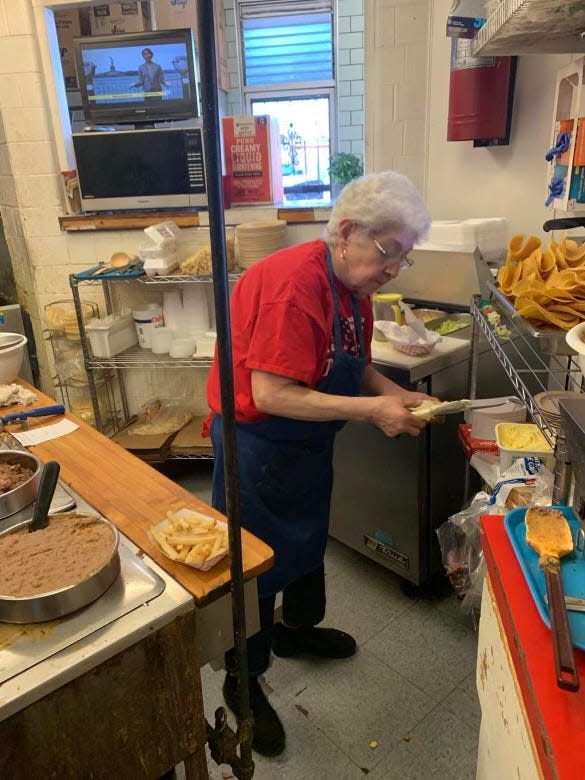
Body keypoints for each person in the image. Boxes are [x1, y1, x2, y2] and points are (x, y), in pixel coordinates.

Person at [205, 169, 437, 757]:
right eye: (389, 251)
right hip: (257, 445)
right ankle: (243, 677)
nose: (392, 268)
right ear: (348, 232)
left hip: (305, 446)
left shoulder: (350, 286)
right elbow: (271, 394)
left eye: (403, 258)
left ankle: (293, 632)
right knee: (252, 568)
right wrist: (372, 412)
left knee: (306, 547)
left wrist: (393, 391)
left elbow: (352, 361)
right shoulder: (293, 287)